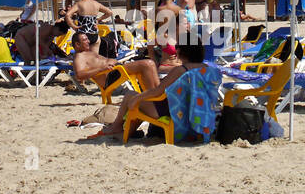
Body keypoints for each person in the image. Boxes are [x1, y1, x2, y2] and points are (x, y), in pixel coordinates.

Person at [89, 40, 222, 142]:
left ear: (181, 51)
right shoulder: (211, 69)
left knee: (130, 95)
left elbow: (158, 91)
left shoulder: (181, 70)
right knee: (139, 99)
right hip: (195, 112)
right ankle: (125, 130)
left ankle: (116, 127)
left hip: (172, 112)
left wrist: (137, 98)